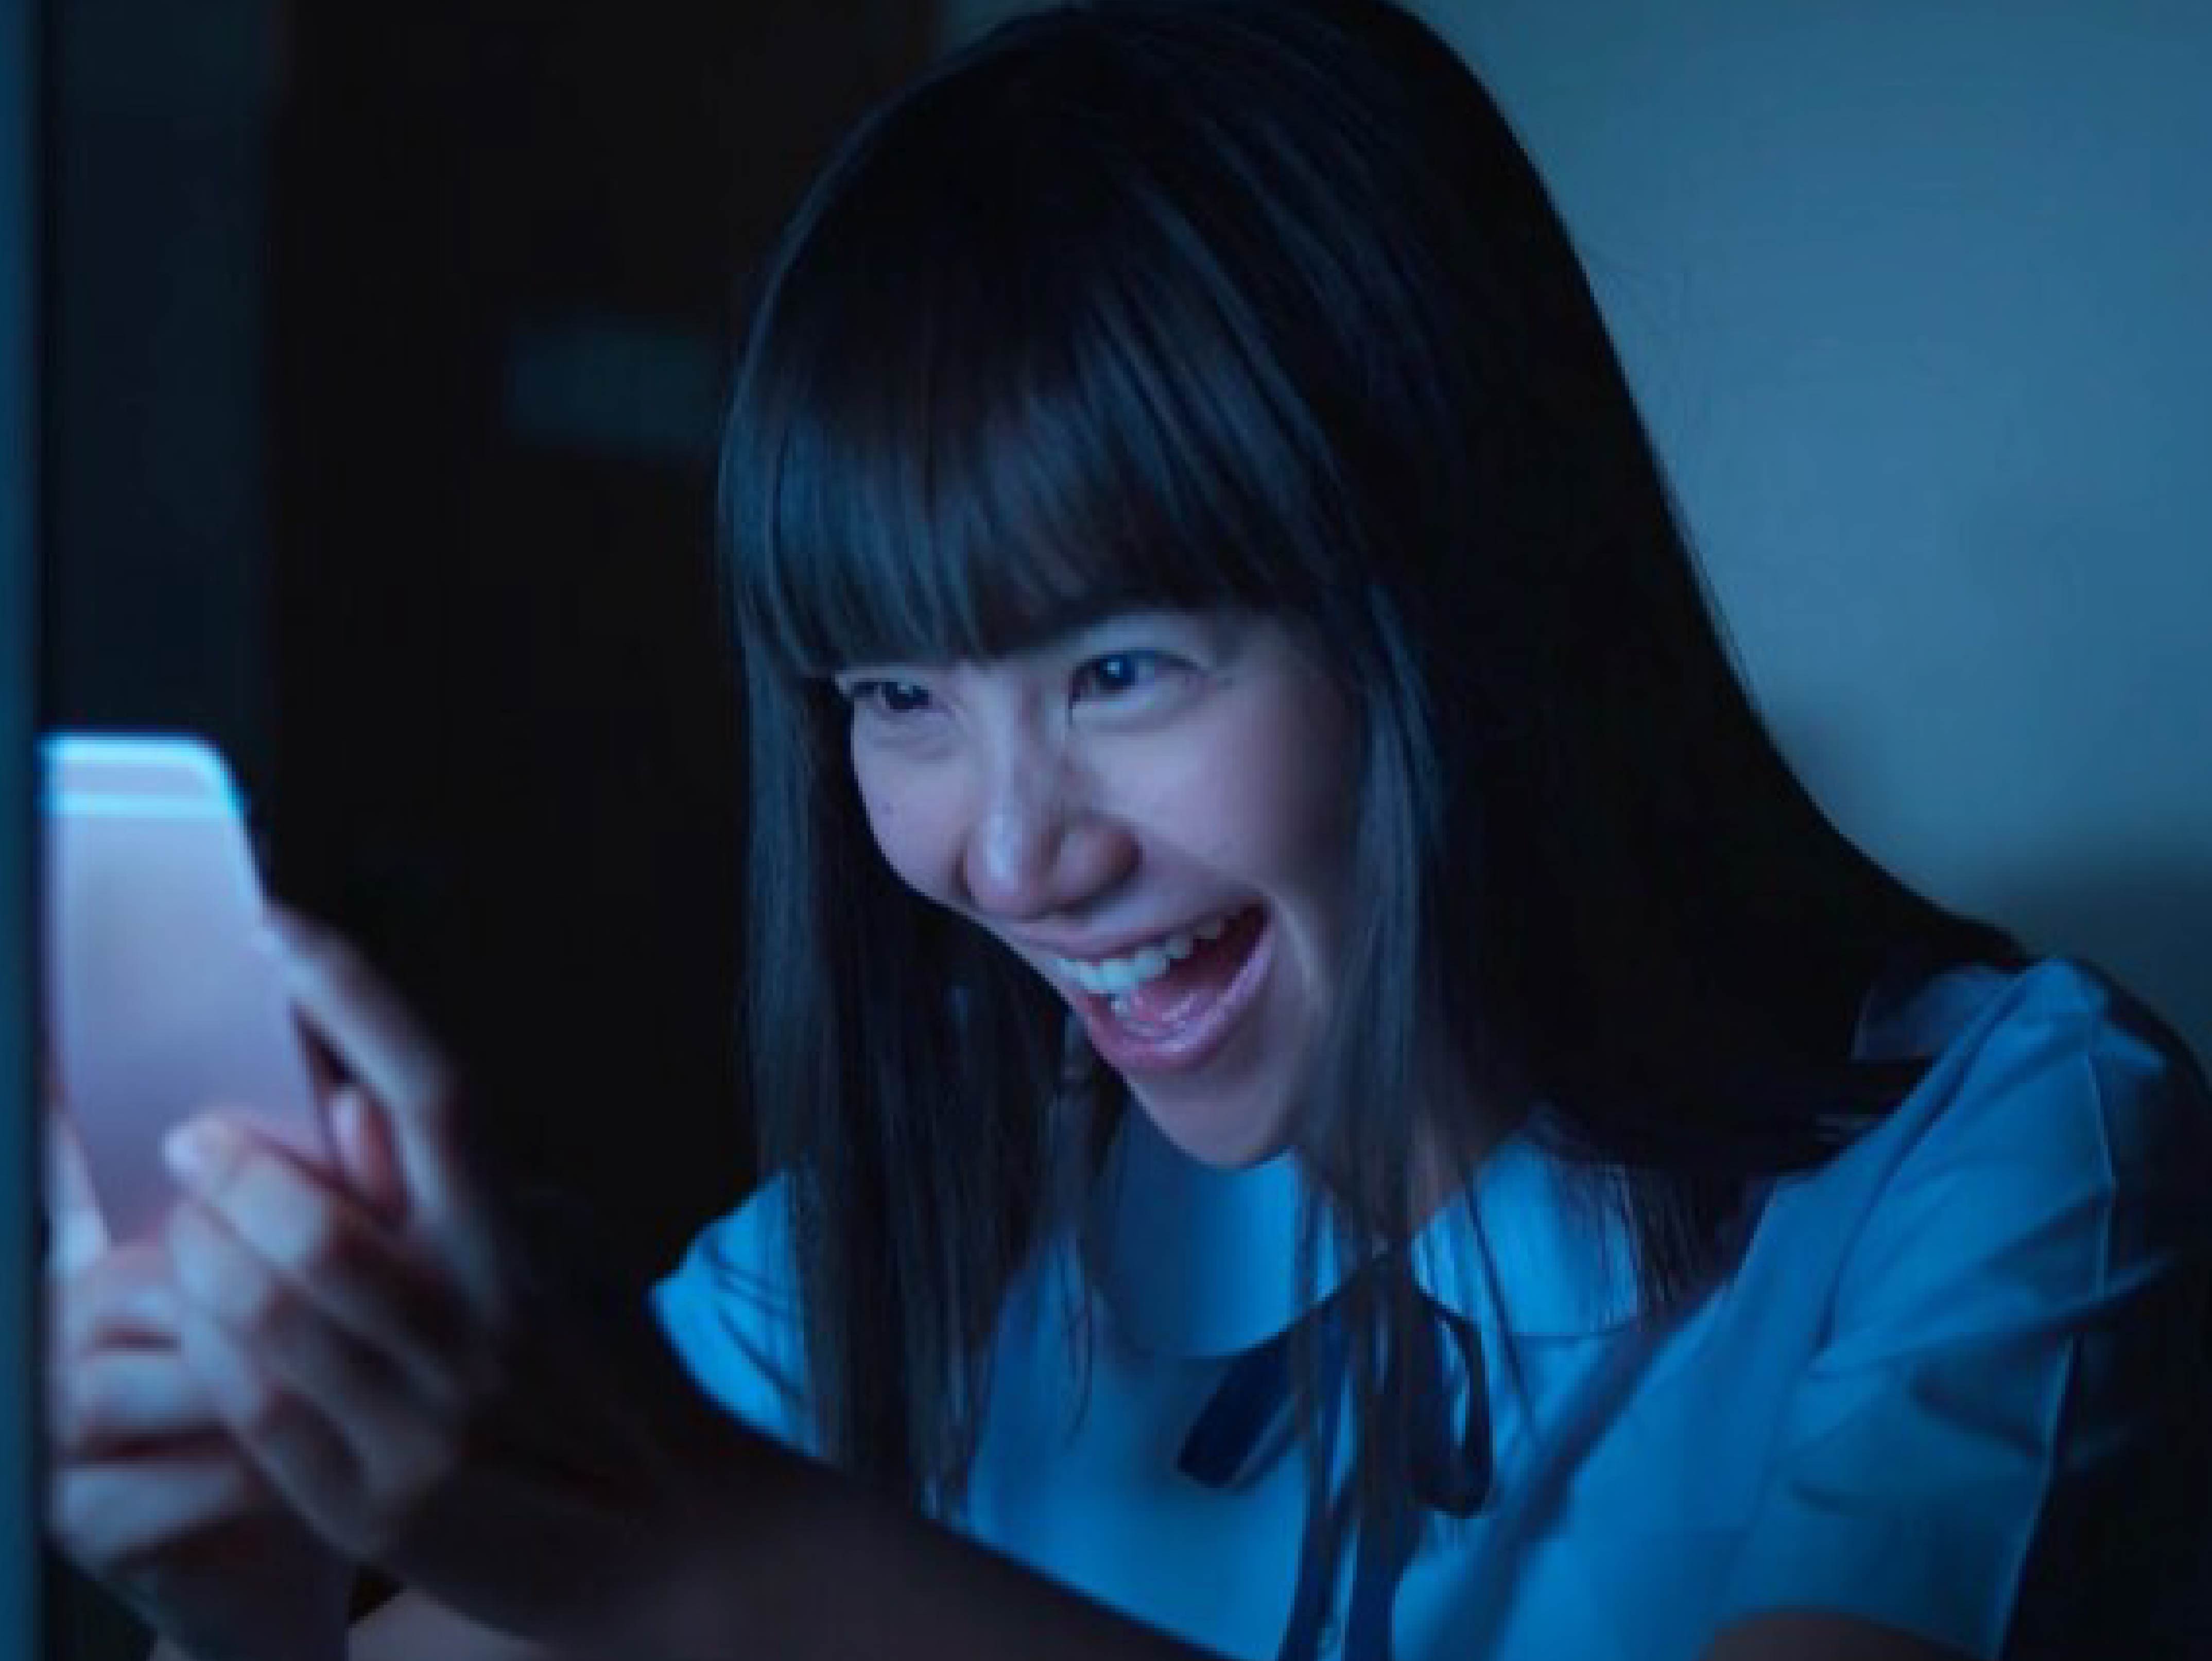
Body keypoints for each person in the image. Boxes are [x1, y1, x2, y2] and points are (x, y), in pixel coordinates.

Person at [46, 2, 2212, 1658]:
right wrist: (253, 1610)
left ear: (1461, 589)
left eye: (1122, 669)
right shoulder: (904, 1241)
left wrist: (718, 1557)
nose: (1006, 859)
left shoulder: (2005, 1150)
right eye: (897, 696)